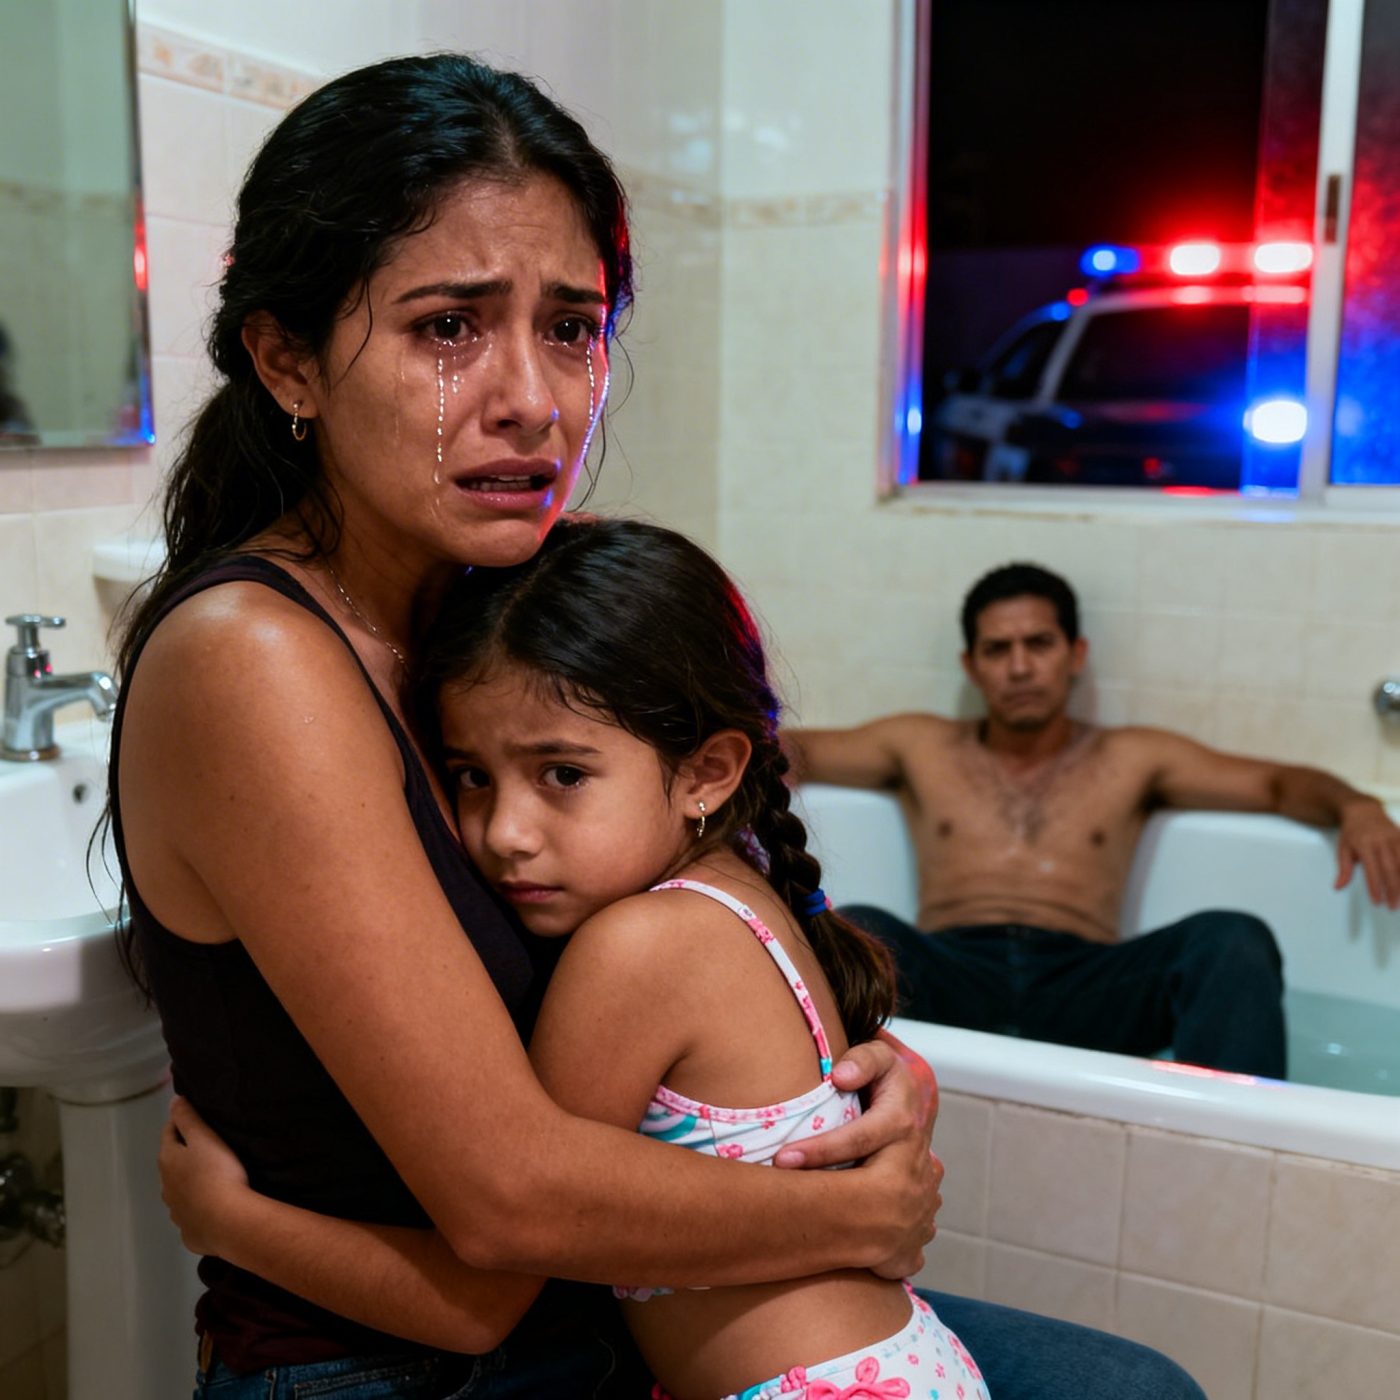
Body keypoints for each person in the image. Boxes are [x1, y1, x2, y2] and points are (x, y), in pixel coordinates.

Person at [116, 53, 1203, 1400]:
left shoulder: (483, 602)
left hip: (586, 1313)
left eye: (571, 327)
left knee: (1137, 1386)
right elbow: (509, 1198)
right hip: (393, 1363)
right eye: (449, 326)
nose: (533, 397)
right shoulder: (253, 659)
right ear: (289, 358)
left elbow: (695, 901)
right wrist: (843, 1211)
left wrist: (854, 1076)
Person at [159, 521, 1204, 1400]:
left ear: (707, 771)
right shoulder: (733, 886)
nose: (504, 831)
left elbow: (478, 1294)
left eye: (561, 774)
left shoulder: (636, 945)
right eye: (468, 776)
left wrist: (227, 1218)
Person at [782, 561, 1400, 1079]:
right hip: (949, 978)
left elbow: (1276, 784)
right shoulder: (918, 743)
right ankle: (811, 1127)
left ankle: (1241, 1142)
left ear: (1075, 654)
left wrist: (1356, 806)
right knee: (858, 928)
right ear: (971, 666)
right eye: (998, 649)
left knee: (1231, 939)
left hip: (1085, 988)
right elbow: (787, 753)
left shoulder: (1130, 756)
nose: (1020, 667)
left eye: (1039, 644)